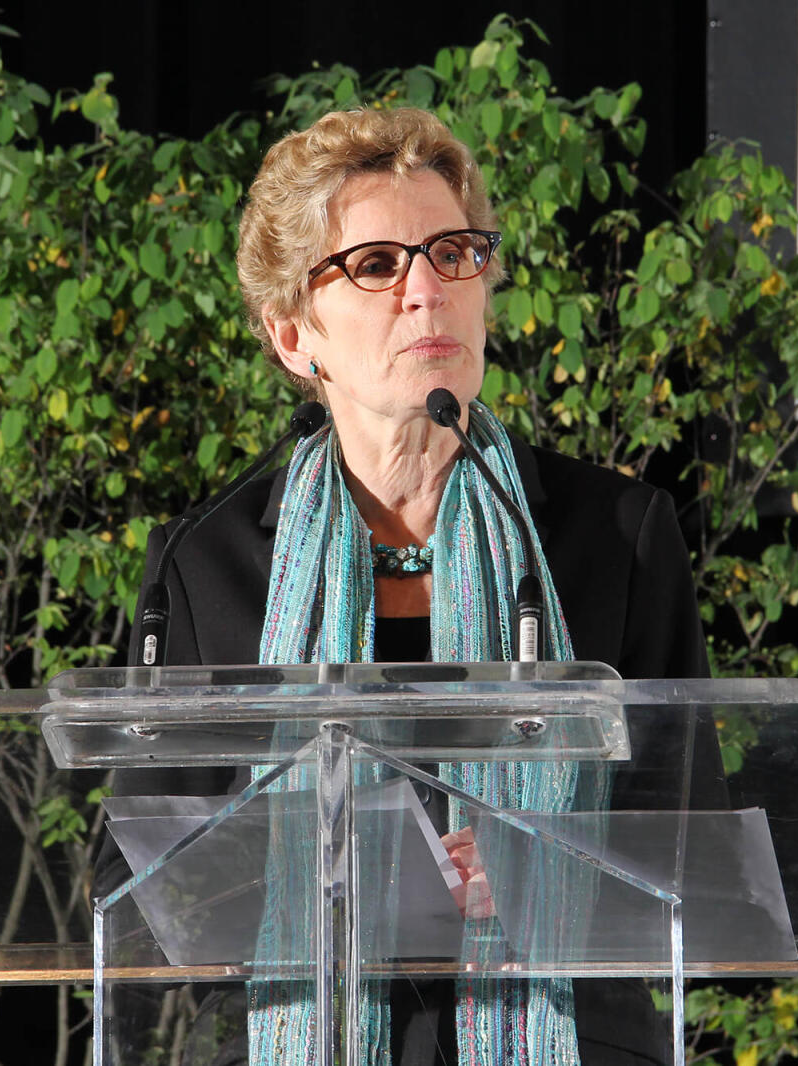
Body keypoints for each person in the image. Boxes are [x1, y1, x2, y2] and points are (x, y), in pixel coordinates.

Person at [126, 108, 707, 1066]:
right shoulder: (206, 565)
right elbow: (141, 876)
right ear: (291, 335)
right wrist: (302, 875)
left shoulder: (610, 538)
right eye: (376, 265)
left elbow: (694, 850)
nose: (427, 291)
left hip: (564, 1034)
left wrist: (533, 878)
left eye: (452, 252)